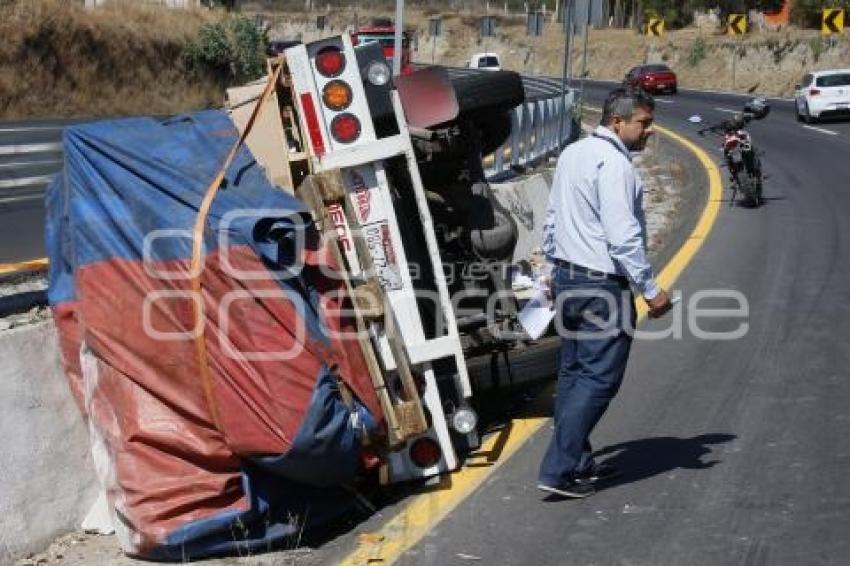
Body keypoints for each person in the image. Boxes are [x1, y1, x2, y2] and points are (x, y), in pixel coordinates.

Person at [537, 87, 672, 498]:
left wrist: (550, 268)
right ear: (618, 122)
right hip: (600, 287)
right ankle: (558, 470)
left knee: (575, 374)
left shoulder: (573, 153)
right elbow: (623, 237)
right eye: (643, 123)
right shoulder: (616, 166)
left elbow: (553, 217)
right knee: (598, 379)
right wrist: (650, 289)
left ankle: (576, 464)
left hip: (568, 279)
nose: (649, 131)